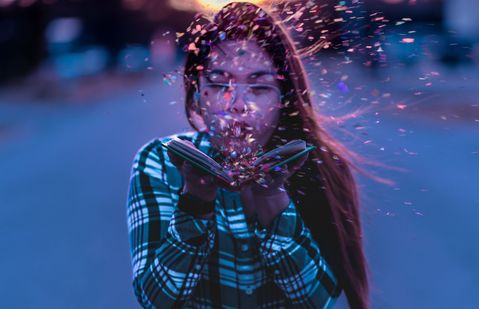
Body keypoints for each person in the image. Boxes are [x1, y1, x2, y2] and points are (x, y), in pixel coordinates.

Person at [126, 2, 369, 308]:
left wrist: (272, 200)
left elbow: (321, 302)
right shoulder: (159, 162)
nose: (237, 105)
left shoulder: (318, 166)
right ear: (197, 94)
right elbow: (155, 299)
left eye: (258, 87)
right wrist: (195, 203)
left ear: (284, 99)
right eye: (217, 84)